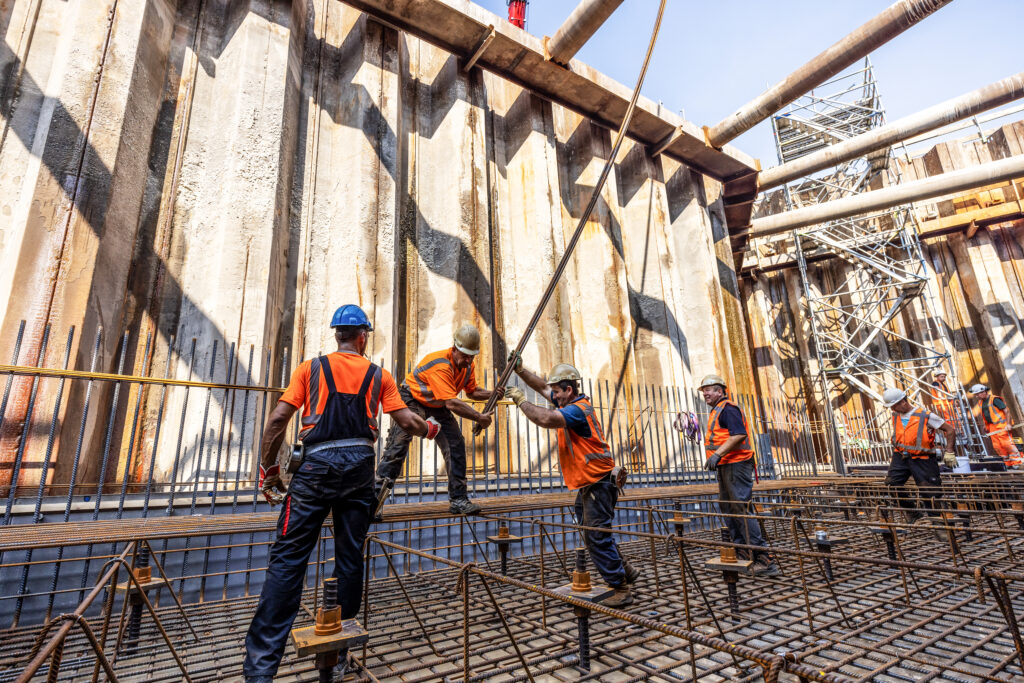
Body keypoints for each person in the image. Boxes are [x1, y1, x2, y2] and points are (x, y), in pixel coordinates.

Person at [244, 305, 440, 683]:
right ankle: (340, 650)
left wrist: (269, 470)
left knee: (288, 559)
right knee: (350, 558)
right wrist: (430, 429)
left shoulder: (310, 368)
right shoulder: (378, 375)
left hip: (314, 470)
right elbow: (408, 422)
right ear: (362, 336)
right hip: (358, 473)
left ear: (338, 334)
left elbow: (276, 421)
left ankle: (261, 671)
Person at [504, 357, 639, 607]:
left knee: (596, 535)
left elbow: (545, 419)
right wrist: (521, 370)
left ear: (569, 390)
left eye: (557, 392)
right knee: (595, 533)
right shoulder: (569, 400)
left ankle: (621, 588)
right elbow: (544, 387)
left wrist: (521, 400)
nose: (553, 396)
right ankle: (625, 571)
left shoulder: (576, 410)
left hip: (598, 482)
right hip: (591, 483)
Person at [376, 324, 503, 515]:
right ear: (454, 349)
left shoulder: (468, 365)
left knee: (455, 444)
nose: (468, 360)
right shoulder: (440, 365)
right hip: (412, 398)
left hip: (437, 403)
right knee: (397, 447)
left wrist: (492, 394)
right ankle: (373, 503)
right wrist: (479, 417)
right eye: (464, 355)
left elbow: (472, 391)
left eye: (471, 356)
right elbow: (452, 403)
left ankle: (459, 500)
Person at [698, 374, 779, 577]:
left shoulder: (728, 408)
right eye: (704, 390)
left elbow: (739, 434)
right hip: (727, 465)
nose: (706, 393)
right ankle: (743, 552)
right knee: (729, 507)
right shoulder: (717, 410)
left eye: (710, 389)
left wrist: (717, 454)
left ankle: (763, 558)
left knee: (741, 508)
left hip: (737, 464)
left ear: (720, 391)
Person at [881, 387, 955, 540]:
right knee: (892, 484)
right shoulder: (896, 415)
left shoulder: (926, 415)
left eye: (894, 406)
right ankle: (912, 511)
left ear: (903, 402)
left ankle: (939, 526)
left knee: (930, 493)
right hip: (901, 456)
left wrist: (949, 451)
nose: (892, 409)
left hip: (923, 458)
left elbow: (950, 429)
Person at [969, 383, 1023, 468]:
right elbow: (986, 414)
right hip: (992, 427)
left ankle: (1017, 462)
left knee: (1007, 444)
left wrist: (1008, 424)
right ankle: (1007, 463)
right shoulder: (981, 402)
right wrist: (985, 425)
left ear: (983, 392)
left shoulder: (994, 399)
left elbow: (1007, 411)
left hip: (1002, 425)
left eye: (977, 394)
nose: (976, 396)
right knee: (997, 446)